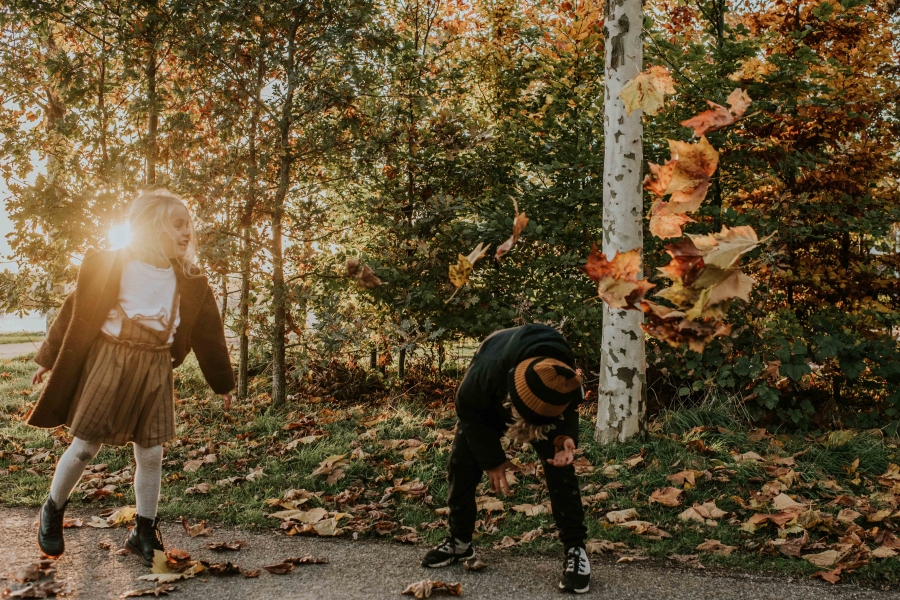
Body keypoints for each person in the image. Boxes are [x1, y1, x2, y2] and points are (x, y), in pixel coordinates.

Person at [27, 189, 235, 566]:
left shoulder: (190, 280)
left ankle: (143, 530)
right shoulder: (112, 265)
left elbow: (208, 334)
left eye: (189, 224)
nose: (187, 231)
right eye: (177, 224)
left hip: (155, 366)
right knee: (86, 445)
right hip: (110, 359)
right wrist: (49, 357)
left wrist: (222, 383)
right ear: (151, 227)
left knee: (151, 452)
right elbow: (75, 310)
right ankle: (52, 509)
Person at [421, 324, 591, 594]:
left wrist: (564, 438)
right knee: (461, 464)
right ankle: (460, 541)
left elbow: (570, 407)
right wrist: (492, 460)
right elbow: (466, 409)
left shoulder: (563, 373)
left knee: (561, 467)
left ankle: (576, 550)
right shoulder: (485, 373)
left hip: (544, 410)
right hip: (487, 406)